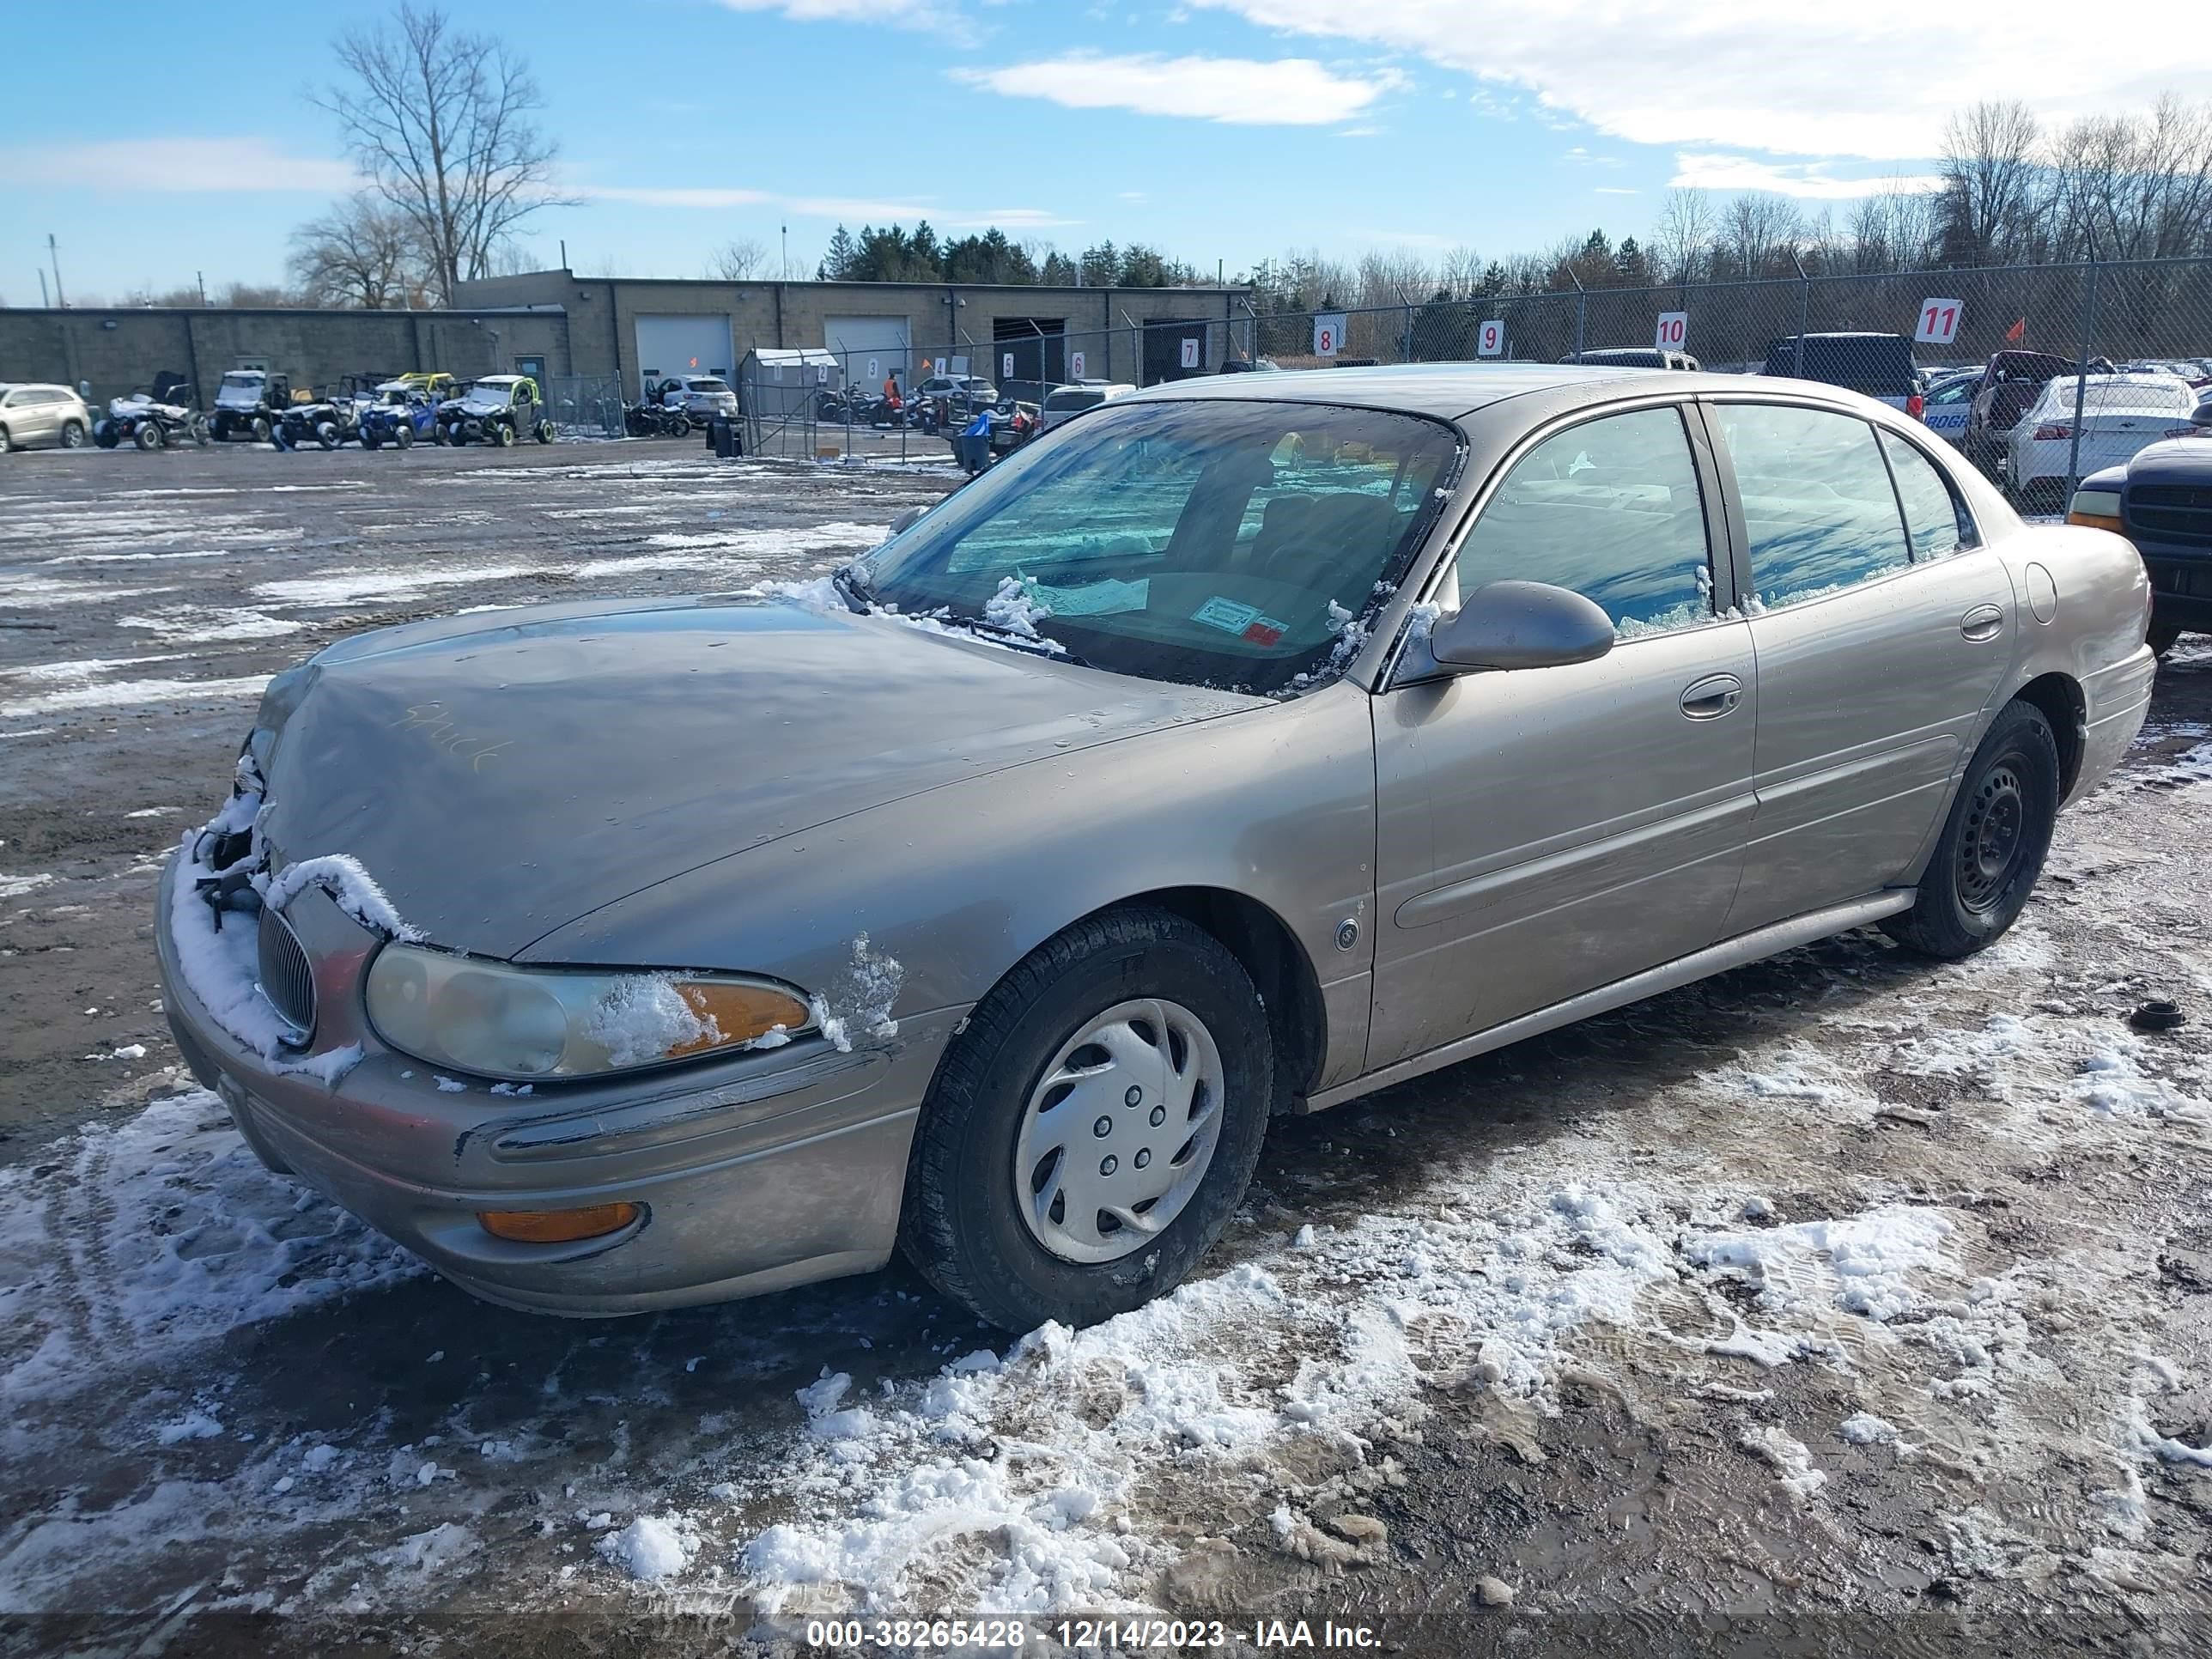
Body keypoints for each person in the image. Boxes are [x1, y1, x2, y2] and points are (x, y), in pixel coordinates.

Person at [958, 403, 994, 475]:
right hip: (978, 442)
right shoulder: (982, 426)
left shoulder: (978, 426)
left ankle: (975, 466)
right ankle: (978, 466)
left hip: (972, 442)